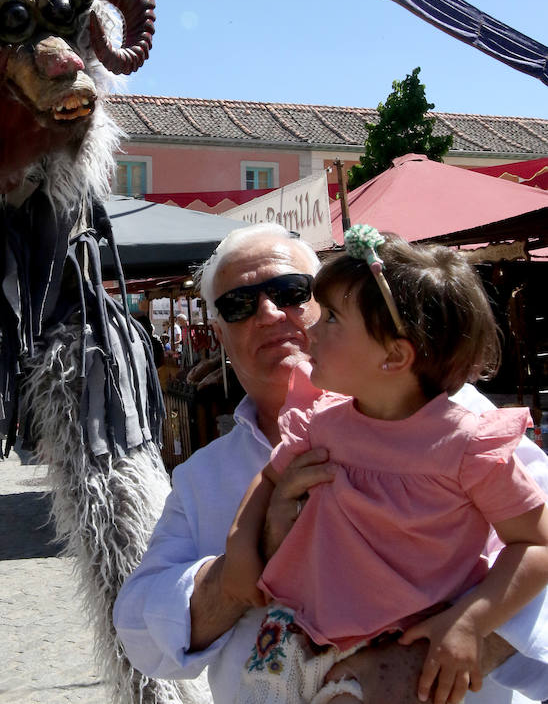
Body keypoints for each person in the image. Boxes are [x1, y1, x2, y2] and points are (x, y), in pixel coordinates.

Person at [112, 222, 548, 704]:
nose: (269, 313)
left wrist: (455, 642)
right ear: (218, 333)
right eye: (239, 305)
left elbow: (537, 542)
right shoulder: (203, 476)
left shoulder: (459, 419)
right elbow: (138, 633)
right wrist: (242, 564)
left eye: (290, 292)